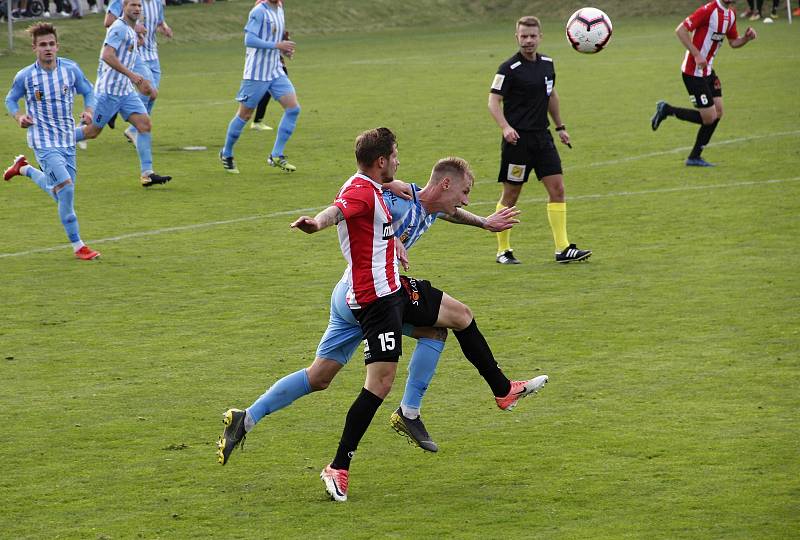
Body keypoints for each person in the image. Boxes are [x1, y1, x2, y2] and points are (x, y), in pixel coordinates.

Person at [234, 128, 545, 502]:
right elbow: (354, 206)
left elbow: (440, 210)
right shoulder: (393, 197)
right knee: (434, 336)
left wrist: (484, 223)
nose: (465, 201)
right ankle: (396, 427)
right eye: (464, 193)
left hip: (358, 293)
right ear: (445, 184)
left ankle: (248, 416)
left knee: (323, 375)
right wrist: (379, 234)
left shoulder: (418, 197)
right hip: (372, 294)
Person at [488, 16, 591, 265]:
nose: (528, 40)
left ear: (540, 37)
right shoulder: (508, 68)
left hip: (543, 138)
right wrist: (505, 127)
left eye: (533, 36)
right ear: (517, 37)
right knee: (511, 194)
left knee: (558, 189)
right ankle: (503, 250)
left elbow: (551, 95)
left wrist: (560, 127)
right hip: (518, 142)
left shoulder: (547, 64)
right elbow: (493, 101)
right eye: (524, 36)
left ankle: (562, 248)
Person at [4, 23, 100, 260]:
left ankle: (24, 169)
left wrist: (88, 111)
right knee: (65, 190)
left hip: (67, 139)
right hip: (43, 142)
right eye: (43, 45)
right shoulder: (26, 76)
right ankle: (79, 246)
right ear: (34, 48)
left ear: (57, 46)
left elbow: (89, 91)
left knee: (59, 192)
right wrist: (19, 117)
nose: (48, 48)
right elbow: (10, 100)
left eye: (51, 44)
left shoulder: (70, 70)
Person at [77, 0, 172, 187]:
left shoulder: (131, 29)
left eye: (139, 5)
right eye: (132, 5)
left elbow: (126, 51)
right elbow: (107, 55)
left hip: (125, 92)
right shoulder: (118, 27)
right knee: (92, 132)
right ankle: (55, 140)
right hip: (109, 92)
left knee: (144, 125)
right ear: (124, 7)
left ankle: (147, 173)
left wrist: (138, 42)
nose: (137, 8)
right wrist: (132, 75)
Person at [651, 1, 757, 167]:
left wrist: (746, 38)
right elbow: (681, 30)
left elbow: (733, 42)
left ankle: (694, 157)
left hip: (708, 72)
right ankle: (667, 110)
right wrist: (697, 55)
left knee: (719, 112)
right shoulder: (708, 10)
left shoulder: (731, 15)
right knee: (709, 118)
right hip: (693, 72)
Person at [219, 0, 300, 174]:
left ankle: (276, 155)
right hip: (256, 73)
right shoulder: (259, 11)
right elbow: (249, 39)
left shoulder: (279, 8)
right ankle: (226, 153)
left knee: (293, 109)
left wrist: (283, 50)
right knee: (245, 114)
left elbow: (275, 37)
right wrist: (277, 45)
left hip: (275, 70)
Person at [104, 0, 172, 146]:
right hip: (134, 55)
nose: (137, 8)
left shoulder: (157, 3)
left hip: (153, 55)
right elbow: (109, 22)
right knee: (149, 90)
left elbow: (159, 22)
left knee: (152, 94)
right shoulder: (124, 2)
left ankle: (91, 121)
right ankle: (135, 128)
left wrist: (165, 28)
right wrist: (134, 28)